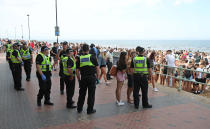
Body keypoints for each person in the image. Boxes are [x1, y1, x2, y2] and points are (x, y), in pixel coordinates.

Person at [76, 44, 99, 114]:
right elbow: (97, 68)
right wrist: (97, 78)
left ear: (82, 50)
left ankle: (79, 108)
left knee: (82, 94)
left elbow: (77, 71)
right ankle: (90, 110)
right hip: (92, 78)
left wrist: (79, 79)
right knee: (91, 94)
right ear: (88, 49)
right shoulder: (92, 57)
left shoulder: (79, 58)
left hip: (83, 78)